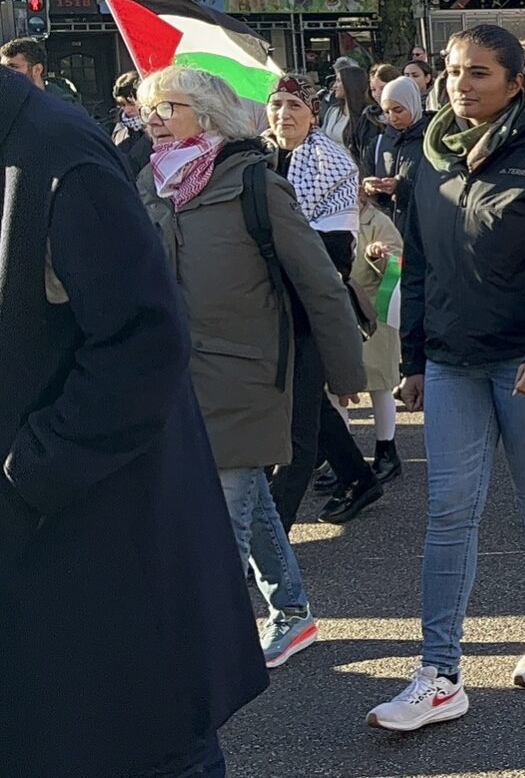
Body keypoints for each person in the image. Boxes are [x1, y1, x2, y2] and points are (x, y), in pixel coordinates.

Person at [0, 67, 268, 778]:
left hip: (99, 563)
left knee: (140, 746)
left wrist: (27, 475)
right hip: (46, 568)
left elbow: (144, 345)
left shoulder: (57, 155)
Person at [370, 25, 525, 732]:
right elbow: (419, 265)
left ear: (516, 82)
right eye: (452, 70)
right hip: (452, 359)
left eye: (477, 73)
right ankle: (439, 673)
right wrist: (412, 360)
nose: (460, 84)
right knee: (448, 512)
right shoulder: (429, 154)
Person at [135, 65, 368, 672]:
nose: (153, 118)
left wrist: (347, 375)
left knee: (219, 527)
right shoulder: (149, 182)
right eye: (148, 107)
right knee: (252, 500)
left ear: (207, 114)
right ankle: (292, 613)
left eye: (168, 107)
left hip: (246, 376)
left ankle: (207, 664)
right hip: (173, 377)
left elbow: (320, 284)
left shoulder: (255, 185)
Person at [262, 76, 386, 526]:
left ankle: (274, 529)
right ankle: (358, 477)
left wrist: (277, 248)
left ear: (313, 113)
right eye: (276, 104)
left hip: (311, 306)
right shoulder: (257, 156)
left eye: (294, 105)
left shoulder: (330, 164)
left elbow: (335, 255)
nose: (284, 114)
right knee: (308, 403)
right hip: (265, 307)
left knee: (297, 423)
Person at [353, 189, 406, 484]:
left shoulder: (379, 222)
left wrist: (377, 256)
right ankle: (343, 457)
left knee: (380, 384)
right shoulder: (332, 218)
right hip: (342, 312)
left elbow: (397, 264)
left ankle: (386, 450)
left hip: (375, 311)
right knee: (335, 386)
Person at [367, 72, 427, 228]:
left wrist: (401, 187)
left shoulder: (430, 141)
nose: (392, 118)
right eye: (386, 112)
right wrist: (368, 186)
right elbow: (364, 175)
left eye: (398, 110)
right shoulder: (379, 142)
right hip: (385, 230)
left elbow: (439, 189)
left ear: (412, 104)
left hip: (419, 229)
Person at [323, 64, 382, 165]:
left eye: (338, 81)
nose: (334, 86)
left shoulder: (368, 115)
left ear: (350, 83)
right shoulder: (332, 111)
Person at [111, 69, 154, 174]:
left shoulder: (158, 131)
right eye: (122, 105)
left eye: (132, 104)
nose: (127, 110)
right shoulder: (119, 131)